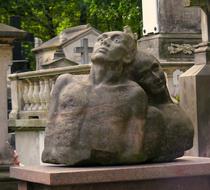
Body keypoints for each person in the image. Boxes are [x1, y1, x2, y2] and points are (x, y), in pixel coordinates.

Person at [42, 28, 150, 165]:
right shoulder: (65, 82)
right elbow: (50, 130)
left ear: (128, 56)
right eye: (101, 39)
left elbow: (134, 151)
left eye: (116, 40)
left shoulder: (133, 94)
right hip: (58, 158)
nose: (105, 42)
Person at [129, 50, 194, 161]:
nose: (156, 77)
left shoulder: (172, 110)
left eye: (155, 68)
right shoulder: (150, 117)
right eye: (144, 75)